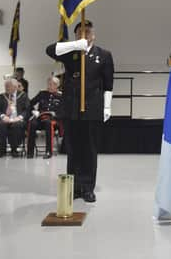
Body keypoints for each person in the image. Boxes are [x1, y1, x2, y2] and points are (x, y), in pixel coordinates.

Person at [46, 20, 114, 203]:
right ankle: (74, 187)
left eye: (87, 31)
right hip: (72, 108)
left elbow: (108, 84)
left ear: (93, 34)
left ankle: (88, 187)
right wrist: (75, 45)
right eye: (80, 32)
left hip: (92, 108)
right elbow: (50, 50)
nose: (84, 34)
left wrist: (107, 106)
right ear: (76, 35)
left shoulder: (104, 55)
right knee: (73, 149)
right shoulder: (71, 52)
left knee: (90, 149)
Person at [28, 76, 63, 159]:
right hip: (41, 117)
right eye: (49, 84)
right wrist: (34, 111)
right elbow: (29, 103)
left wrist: (55, 114)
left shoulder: (61, 96)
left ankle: (48, 152)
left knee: (48, 123)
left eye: (52, 84)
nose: (49, 86)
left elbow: (64, 110)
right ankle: (30, 152)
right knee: (32, 124)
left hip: (53, 120)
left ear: (57, 85)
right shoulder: (42, 94)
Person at [0, 78, 29, 158]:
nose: (6, 88)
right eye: (5, 86)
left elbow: (27, 110)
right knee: (0, 124)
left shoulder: (23, 95)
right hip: (6, 119)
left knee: (16, 125)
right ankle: (1, 150)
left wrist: (19, 117)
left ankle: (14, 149)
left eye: (8, 86)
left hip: (18, 119)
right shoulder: (2, 96)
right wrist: (3, 116)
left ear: (15, 87)